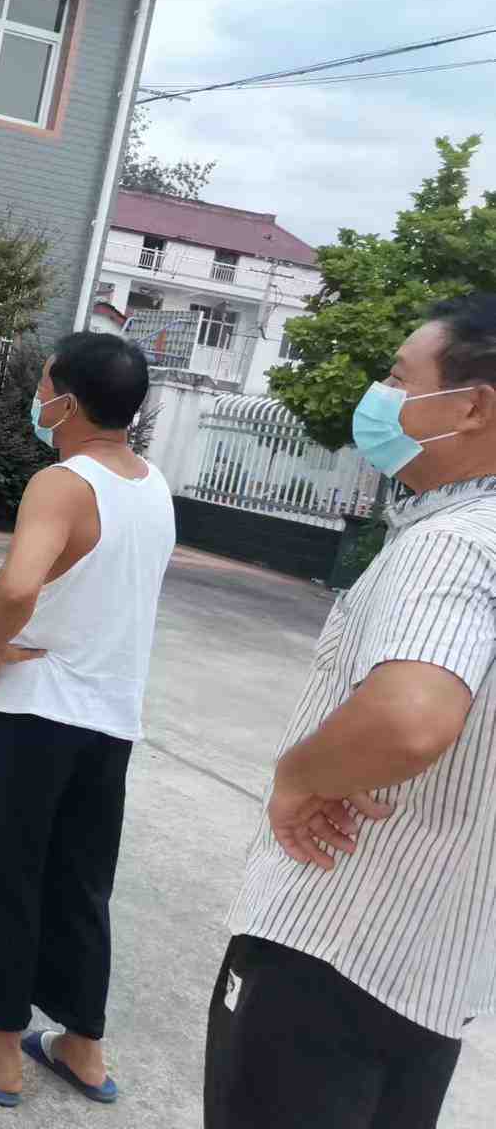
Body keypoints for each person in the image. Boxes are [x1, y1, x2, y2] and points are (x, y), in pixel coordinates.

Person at [206, 295, 496, 1129]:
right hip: (436, 969)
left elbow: (410, 719)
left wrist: (300, 774)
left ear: (473, 406)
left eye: (400, 379)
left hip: (333, 948)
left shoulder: (452, 542)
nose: (381, 397)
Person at [0, 333, 171, 1110]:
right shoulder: (153, 484)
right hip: (110, 719)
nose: (39, 397)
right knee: (80, 880)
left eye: (46, 384)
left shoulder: (63, 483)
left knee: (6, 873)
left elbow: (19, 585)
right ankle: (81, 1045)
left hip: (37, 714)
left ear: (68, 401)